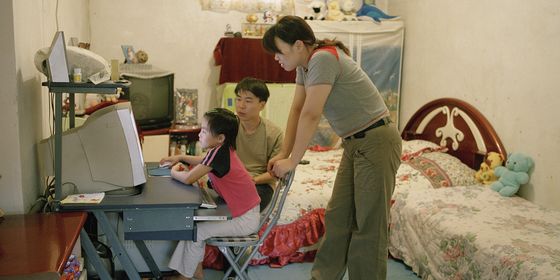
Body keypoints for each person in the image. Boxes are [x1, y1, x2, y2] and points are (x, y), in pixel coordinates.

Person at [262, 16, 402, 280]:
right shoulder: (305, 67)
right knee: (338, 218)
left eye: (279, 51)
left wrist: (293, 161)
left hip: (377, 140)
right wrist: (284, 153)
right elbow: (297, 109)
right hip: (354, 144)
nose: (276, 58)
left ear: (299, 45)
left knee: (368, 224)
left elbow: (312, 114)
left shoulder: (323, 59)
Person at [160, 108, 261, 280]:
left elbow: (188, 179)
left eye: (204, 131)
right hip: (241, 213)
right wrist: (181, 157)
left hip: (246, 219)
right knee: (191, 225)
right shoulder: (221, 150)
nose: (200, 134)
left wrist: (172, 172)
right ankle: (195, 273)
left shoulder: (219, 154)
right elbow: (203, 161)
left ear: (220, 138)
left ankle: (185, 277)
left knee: (197, 232)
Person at [234, 77, 284, 211]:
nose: (241, 105)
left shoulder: (274, 133)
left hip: (260, 183)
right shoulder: (229, 126)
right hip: (232, 179)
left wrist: (253, 180)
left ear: (262, 104)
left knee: (250, 201)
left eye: (248, 101)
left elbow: (276, 173)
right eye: (238, 99)